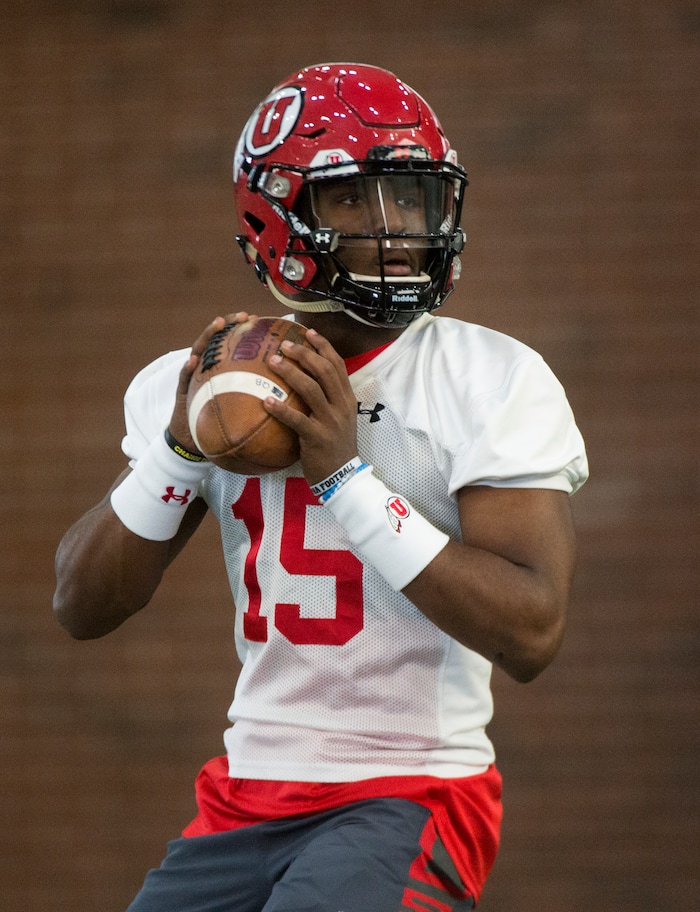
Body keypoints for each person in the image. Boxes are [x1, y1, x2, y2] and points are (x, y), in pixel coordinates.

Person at [53, 63, 588, 911]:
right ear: (279, 217)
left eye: (413, 198)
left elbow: (532, 631)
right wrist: (178, 449)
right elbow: (80, 606)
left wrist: (343, 475)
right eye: (356, 201)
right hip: (242, 795)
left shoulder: (491, 377)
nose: (400, 229)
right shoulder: (204, 381)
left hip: (413, 791)